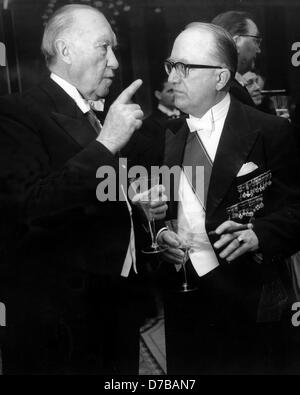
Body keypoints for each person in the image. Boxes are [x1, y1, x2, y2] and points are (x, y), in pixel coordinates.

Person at [0, 4, 167, 374]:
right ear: (65, 50)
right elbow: (30, 205)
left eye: (115, 49)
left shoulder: (96, 115)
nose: (115, 62)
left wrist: (134, 204)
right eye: (104, 47)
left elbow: (90, 196)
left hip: (113, 306)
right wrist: (106, 144)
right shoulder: (16, 113)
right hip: (60, 321)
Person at [157, 23, 300, 374]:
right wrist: (162, 235)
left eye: (184, 68)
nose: (173, 78)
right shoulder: (170, 134)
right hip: (185, 305)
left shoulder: (271, 132)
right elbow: (164, 209)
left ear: (221, 78)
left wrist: (259, 234)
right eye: (170, 65)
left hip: (251, 302)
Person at [211, 10, 262, 106]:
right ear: (236, 43)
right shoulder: (230, 92)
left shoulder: (217, 84)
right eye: (255, 40)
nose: (258, 50)